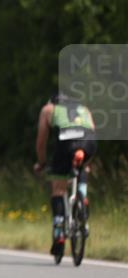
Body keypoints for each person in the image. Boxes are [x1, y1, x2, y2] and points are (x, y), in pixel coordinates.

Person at [33, 93, 97, 256]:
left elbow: (41, 141)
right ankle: (83, 196)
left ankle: (59, 233)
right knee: (83, 167)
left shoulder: (48, 109)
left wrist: (41, 163)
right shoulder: (84, 109)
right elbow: (93, 131)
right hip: (89, 141)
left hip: (67, 140)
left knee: (58, 189)